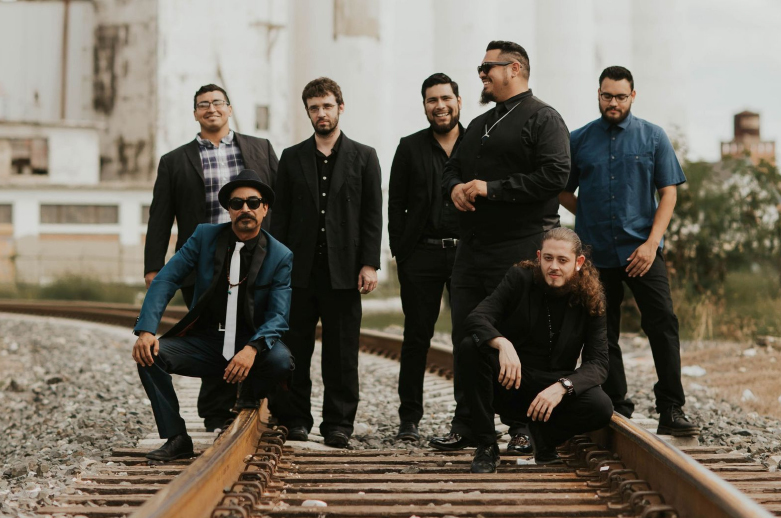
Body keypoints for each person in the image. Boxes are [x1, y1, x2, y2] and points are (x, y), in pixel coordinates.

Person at [431, 40, 571, 453]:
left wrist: (491, 189)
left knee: (517, 338)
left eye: (487, 67)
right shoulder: (478, 124)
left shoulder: (544, 118)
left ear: (514, 68)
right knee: (466, 337)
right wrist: (454, 188)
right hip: (472, 251)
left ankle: (521, 425)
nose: (481, 74)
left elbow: (555, 176)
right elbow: (451, 169)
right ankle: (469, 423)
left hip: (520, 249)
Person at [558, 66, 699, 436]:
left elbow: (669, 192)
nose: (613, 103)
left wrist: (652, 243)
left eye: (621, 96)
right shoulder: (579, 139)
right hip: (596, 254)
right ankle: (617, 408)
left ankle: (671, 408)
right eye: (607, 96)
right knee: (603, 333)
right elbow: (561, 189)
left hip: (643, 252)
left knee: (663, 324)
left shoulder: (653, 136)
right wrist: (586, 214)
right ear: (598, 94)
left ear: (632, 96)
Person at [144, 84, 279, 432]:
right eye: (203, 104)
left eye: (218, 102)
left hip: (256, 257)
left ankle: (253, 396)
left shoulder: (260, 148)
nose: (211, 108)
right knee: (212, 334)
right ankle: (216, 411)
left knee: (254, 325)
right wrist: (154, 267)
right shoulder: (174, 161)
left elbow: (279, 202)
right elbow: (160, 216)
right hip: (201, 264)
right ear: (195, 114)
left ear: (229, 109)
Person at [132, 169, 294, 461]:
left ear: (265, 208)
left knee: (282, 361)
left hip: (249, 343)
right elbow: (166, 279)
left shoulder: (280, 255)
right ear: (228, 210)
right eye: (237, 203)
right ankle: (176, 437)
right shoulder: (204, 237)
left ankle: (251, 392)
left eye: (253, 202)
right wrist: (146, 330)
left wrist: (251, 349)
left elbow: (278, 316)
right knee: (149, 355)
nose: (245, 209)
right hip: (207, 342)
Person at [268, 77, 383, 448]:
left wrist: (369, 263)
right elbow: (280, 217)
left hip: (345, 272)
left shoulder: (364, 156)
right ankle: (295, 420)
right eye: (314, 108)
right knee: (294, 351)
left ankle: (338, 424)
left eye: (327, 106)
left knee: (342, 353)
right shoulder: (291, 157)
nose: (321, 113)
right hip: (297, 272)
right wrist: (276, 267)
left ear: (340, 108)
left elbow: (372, 215)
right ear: (308, 112)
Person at [464, 228, 613, 473]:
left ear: (578, 262)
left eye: (562, 260)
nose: (553, 266)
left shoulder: (591, 296)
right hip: (511, 381)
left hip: (552, 389)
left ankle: (542, 438)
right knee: (470, 346)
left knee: (601, 407)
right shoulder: (519, 278)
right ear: (539, 257)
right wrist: (502, 343)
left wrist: (564, 386)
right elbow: (477, 317)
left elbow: (598, 363)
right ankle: (486, 446)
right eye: (548, 258)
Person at [388, 73, 463, 441]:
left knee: (470, 337)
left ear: (459, 102)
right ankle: (409, 419)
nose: (440, 105)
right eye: (432, 100)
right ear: (424, 106)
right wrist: (402, 255)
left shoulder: (477, 144)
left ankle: (467, 419)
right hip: (421, 255)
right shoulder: (409, 147)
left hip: (467, 255)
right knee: (417, 337)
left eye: (446, 98)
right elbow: (396, 204)